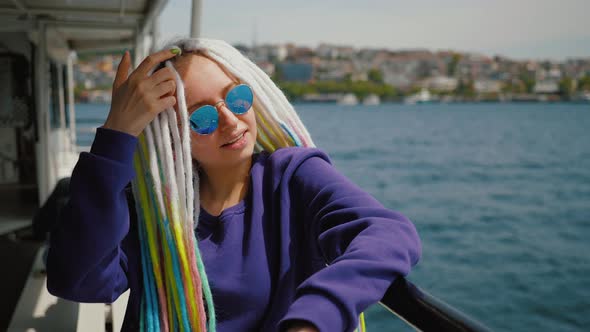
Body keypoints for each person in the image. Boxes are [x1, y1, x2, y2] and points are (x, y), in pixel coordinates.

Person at [46, 38, 422, 332]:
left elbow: (388, 232)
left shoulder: (293, 177)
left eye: (237, 98)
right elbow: (78, 282)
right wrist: (116, 133)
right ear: (174, 136)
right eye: (203, 117)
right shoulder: (150, 211)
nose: (230, 120)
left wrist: (314, 317)